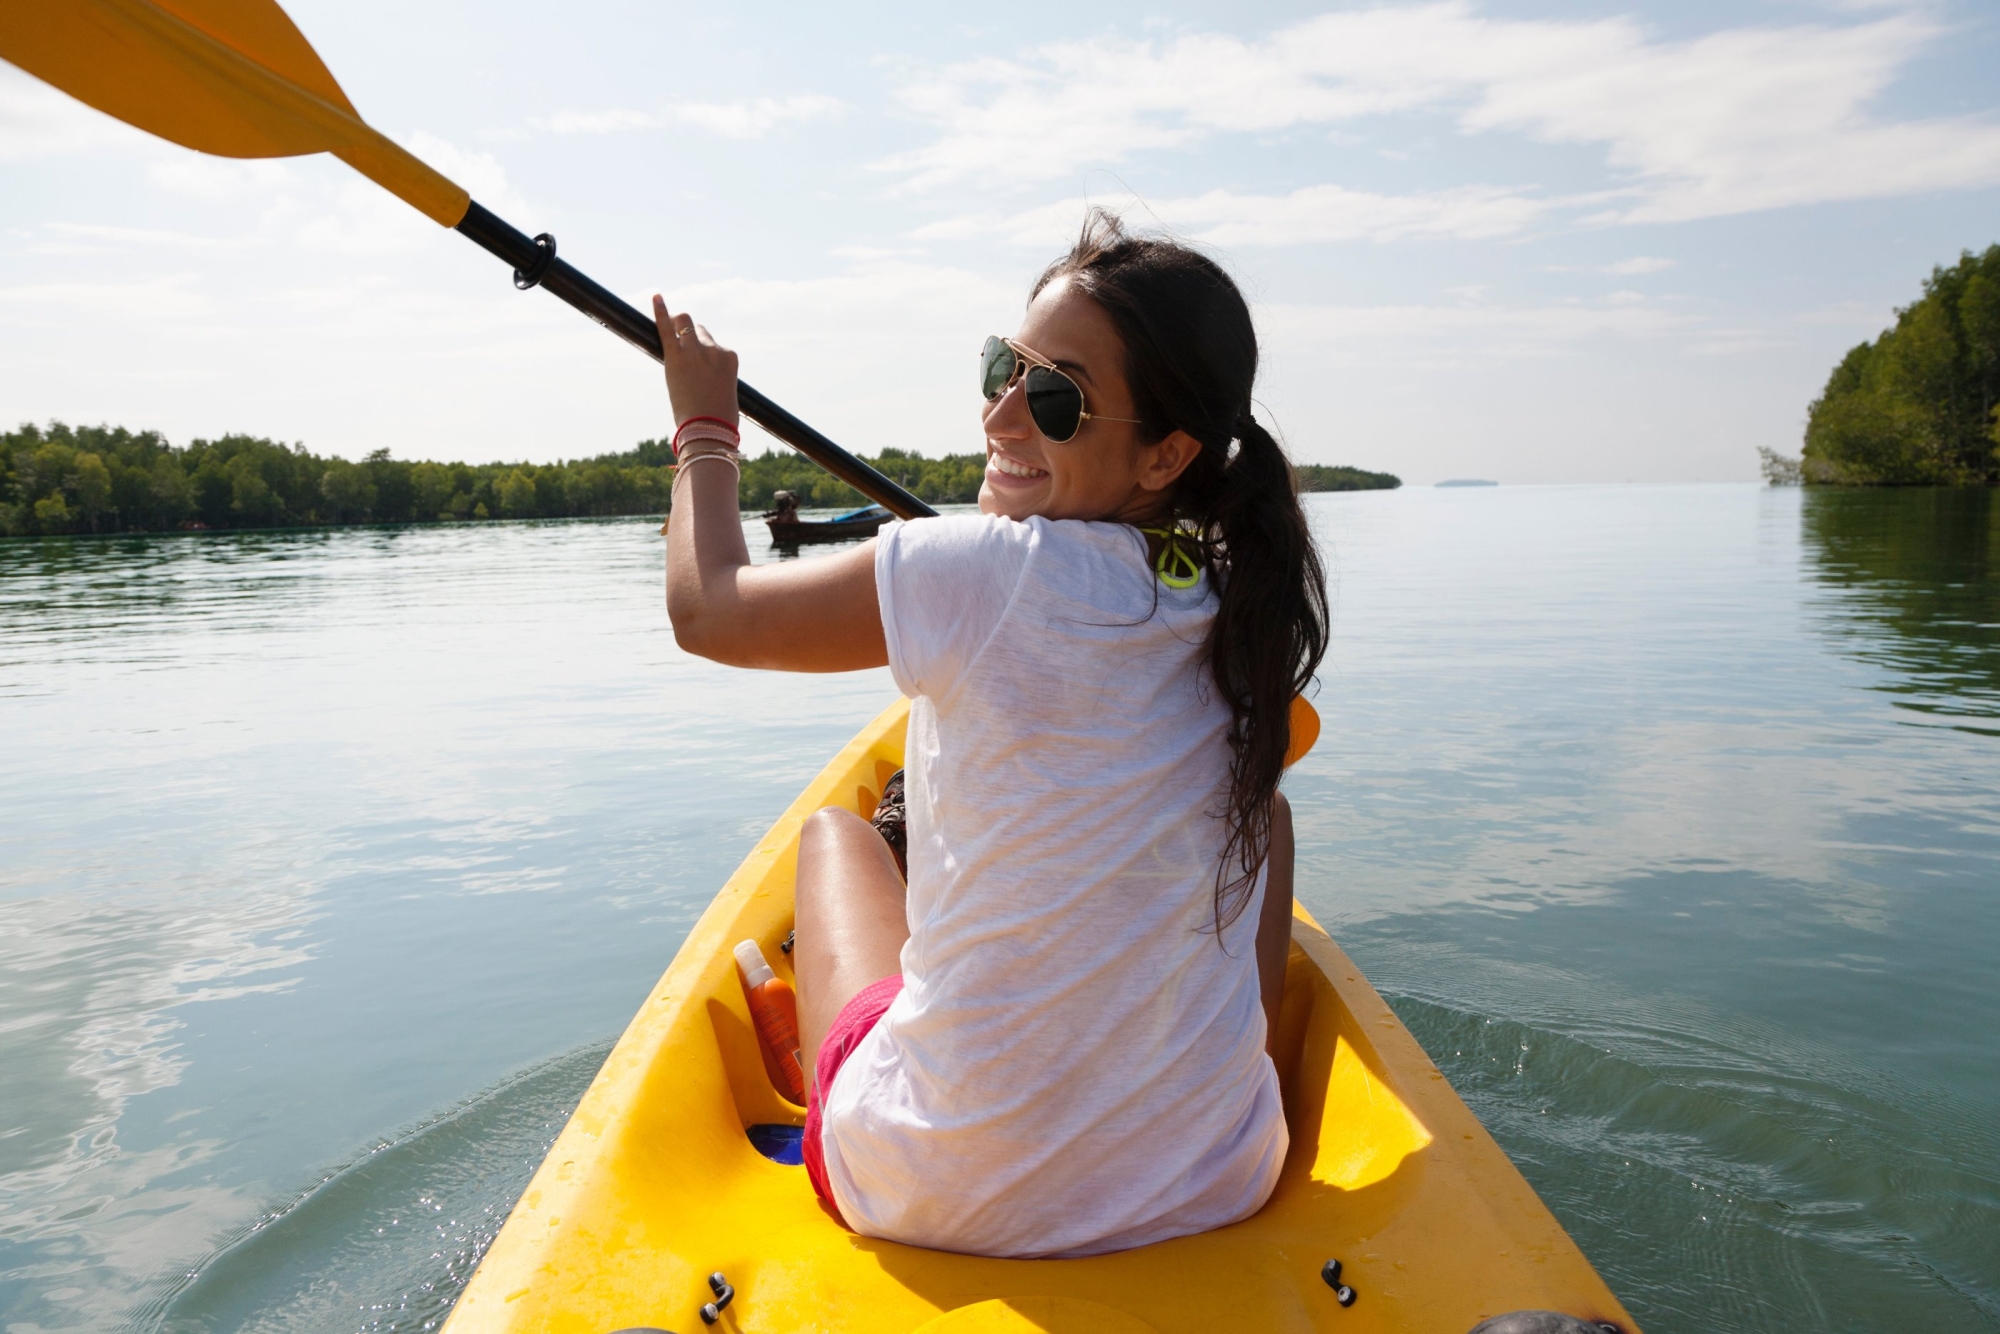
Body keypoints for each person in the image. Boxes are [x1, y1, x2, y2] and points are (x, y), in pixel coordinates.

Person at [655, 211, 1328, 1259]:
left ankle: (834, 1067)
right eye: (1002, 368)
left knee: (836, 839)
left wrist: (704, 431)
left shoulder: (966, 567)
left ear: (1166, 453)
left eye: (1054, 397)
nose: (1001, 415)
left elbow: (710, 612)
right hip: (1211, 1178)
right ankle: (1201, 1087)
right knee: (1266, 815)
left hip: (932, 1187)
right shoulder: (1235, 604)